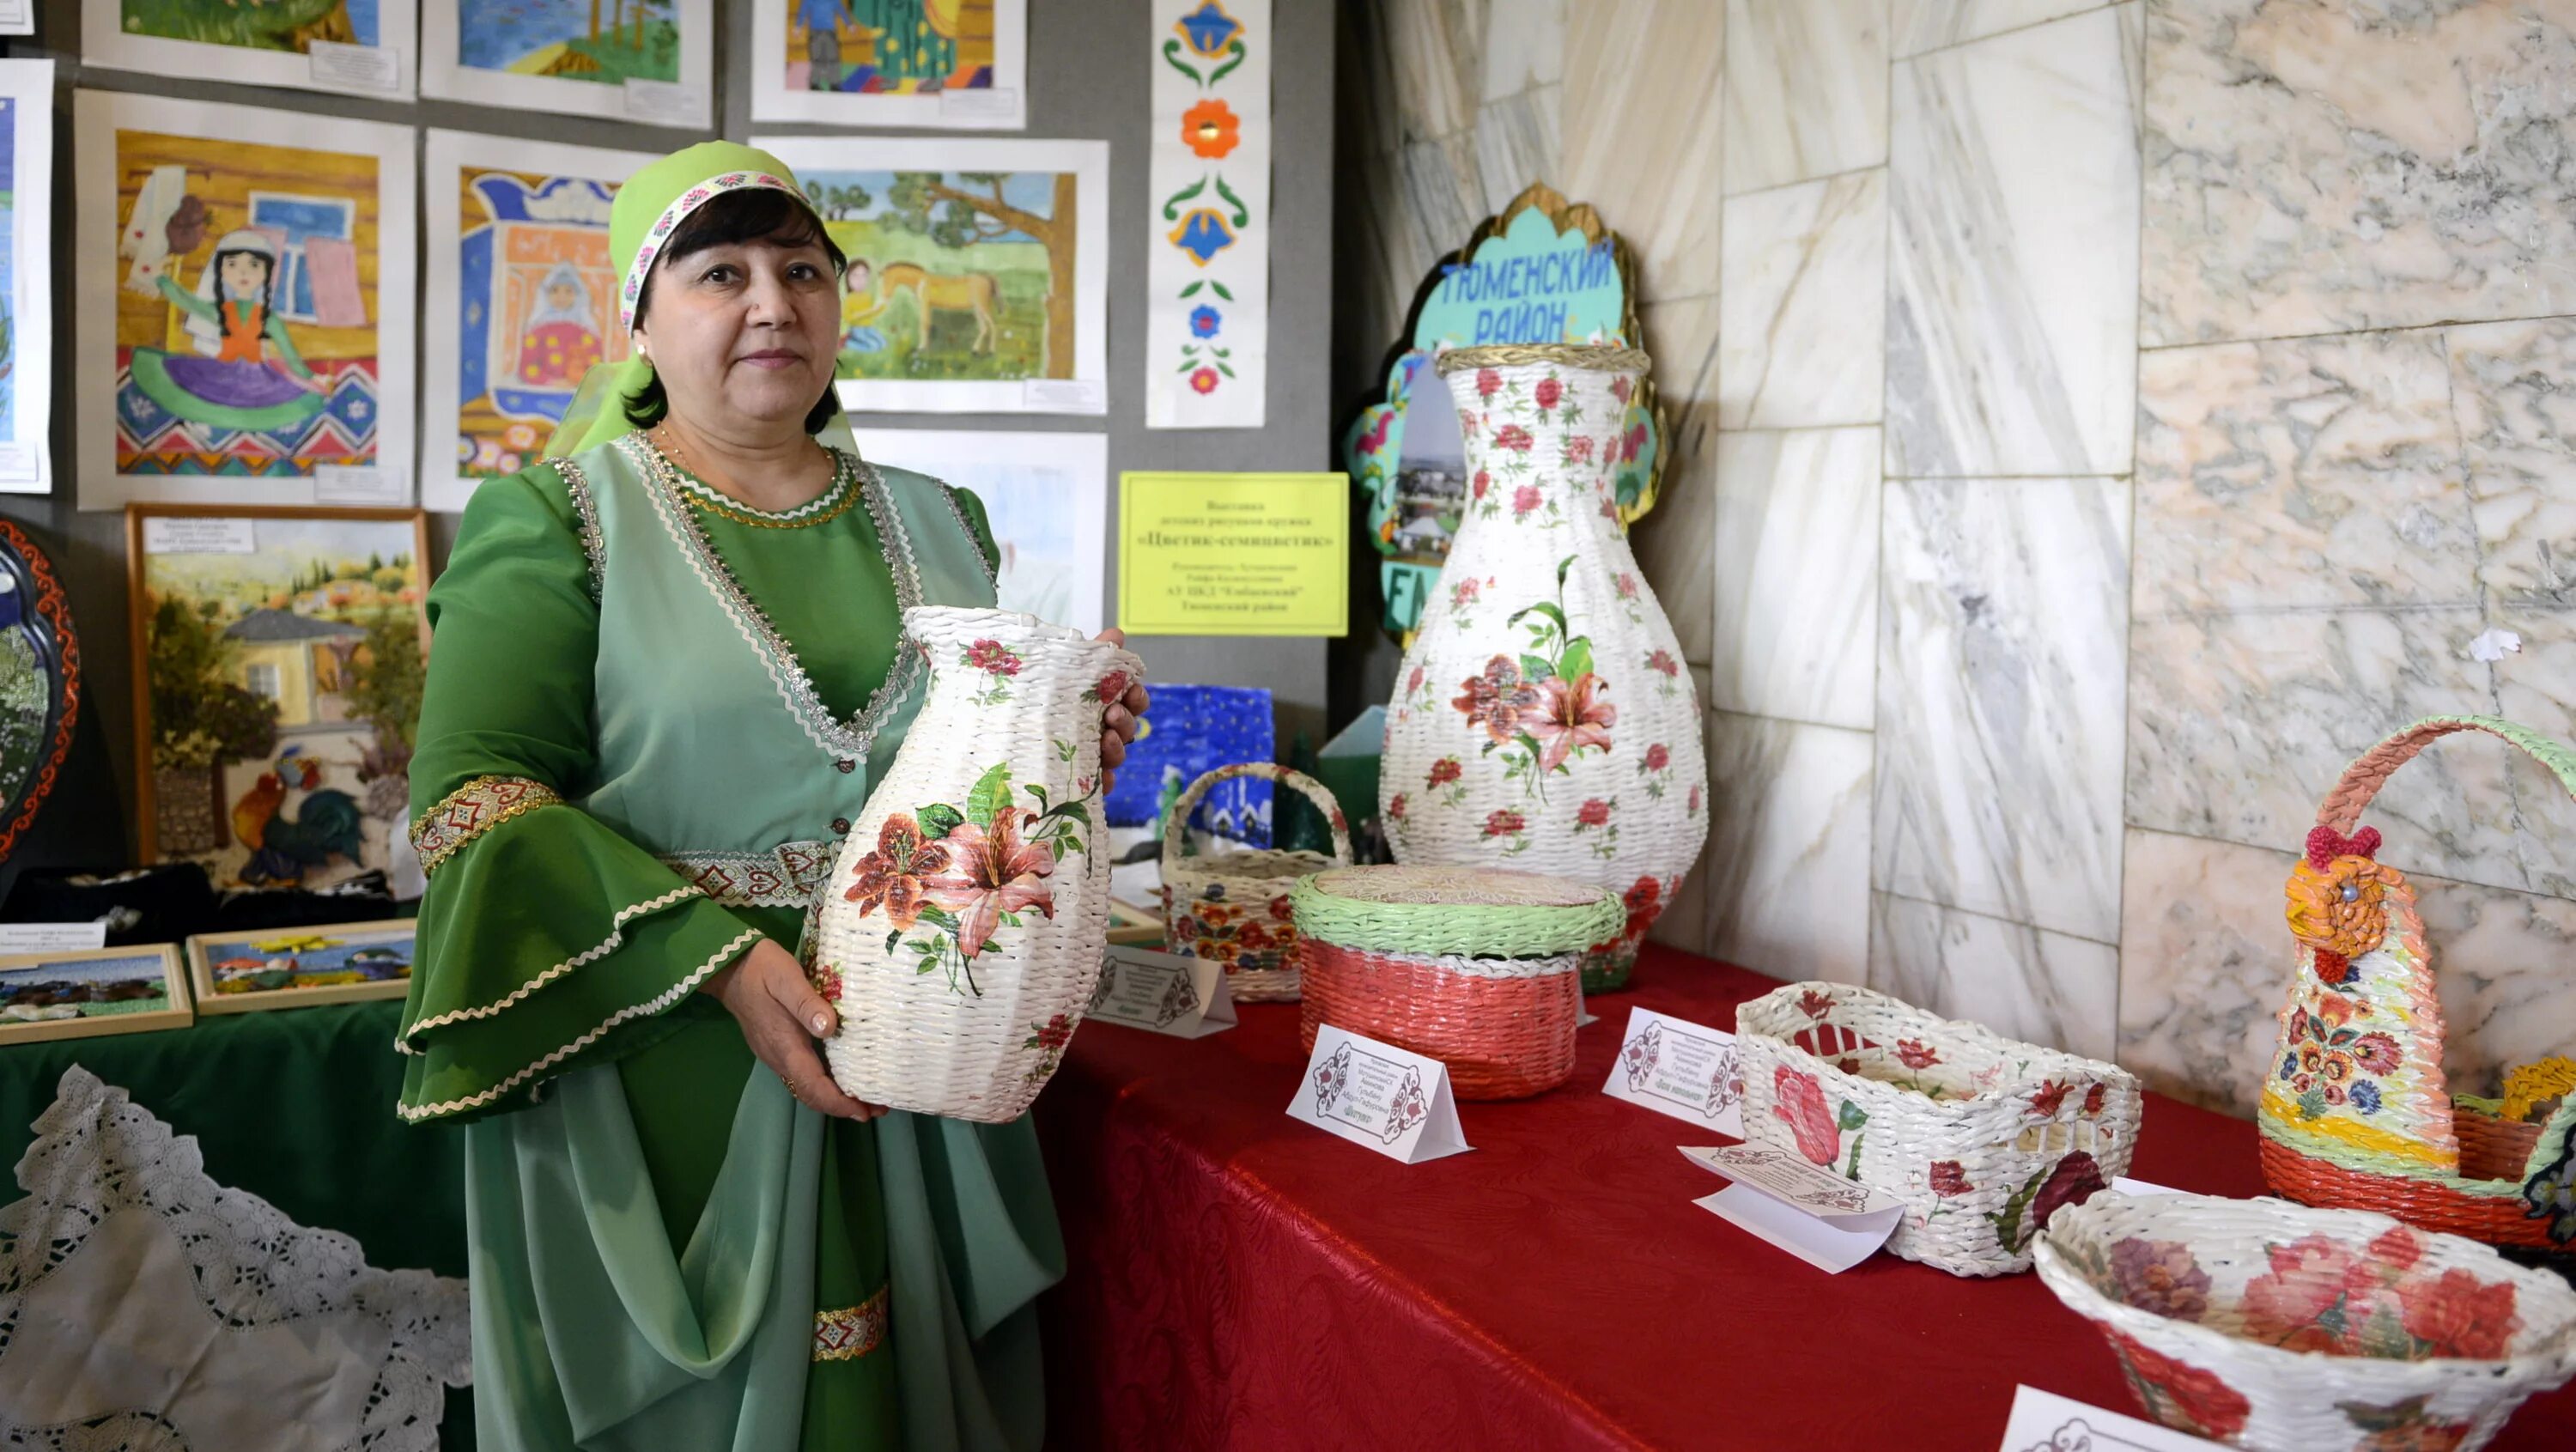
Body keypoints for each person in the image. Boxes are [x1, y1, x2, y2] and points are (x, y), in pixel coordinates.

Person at [394, 142, 1144, 1451]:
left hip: (922, 1049)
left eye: (804, 269)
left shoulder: (941, 520)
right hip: (661, 1049)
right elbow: (470, 799)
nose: (772, 303)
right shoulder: (556, 519)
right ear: (639, 315)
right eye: (720, 271)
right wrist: (720, 960)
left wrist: (1065, 758)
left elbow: (969, 785)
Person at [126, 228, 329, 434]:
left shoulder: (268, 318)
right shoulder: (222, 311)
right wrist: (161, 279)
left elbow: (290, 355)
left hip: (257, 379)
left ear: (266, 272)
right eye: (233, 265)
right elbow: (187, 302)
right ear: (222, 271)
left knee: (281, 401)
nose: (243, 273)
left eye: (254, 265)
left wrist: (311, 377)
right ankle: (206, 423)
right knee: (195, 390)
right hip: (221, 372)